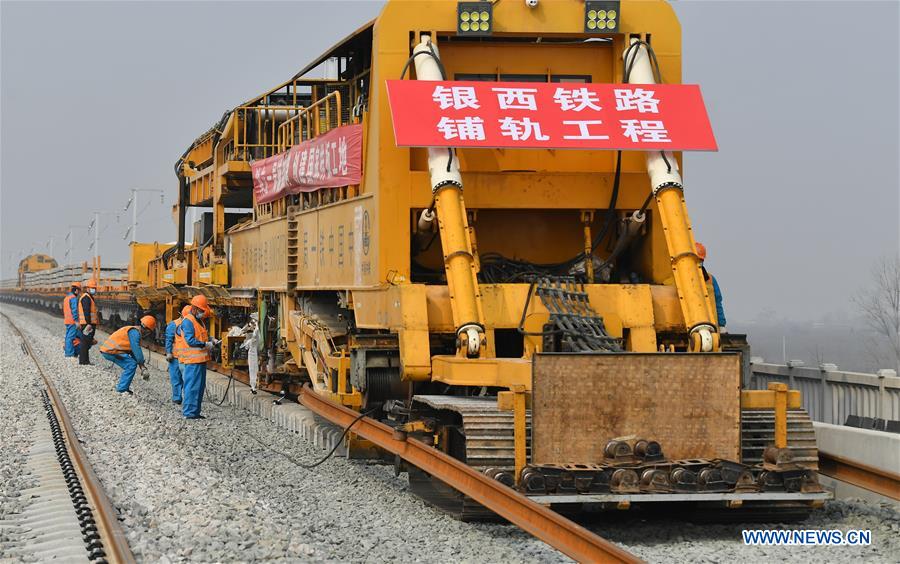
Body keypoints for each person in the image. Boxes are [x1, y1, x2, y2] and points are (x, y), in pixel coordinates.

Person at [175, 295, 218, 419]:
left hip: (200, 360)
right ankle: (189, 413)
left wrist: (211, 339)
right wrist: (205, 344)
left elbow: (201, 336)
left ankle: (195, 412)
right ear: (194, 308)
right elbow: (190, 340)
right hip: (192, 361)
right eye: (201, 310)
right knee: (192, 387)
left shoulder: (199, 321)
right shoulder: (188, 321)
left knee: (198, 387)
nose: (202, 312)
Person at [99, 316, 157, 395]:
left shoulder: (134, 331)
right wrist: (142, 365)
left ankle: (123, 387)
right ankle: (121, 389)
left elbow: (133, 352)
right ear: (147, 330)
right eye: (149, 332)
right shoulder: (135, 333)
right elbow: (136, 350)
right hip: (111, 351)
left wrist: (142, 367)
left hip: (109, 350)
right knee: (131, 364)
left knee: (131, 364)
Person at [696, 242, 727, 330]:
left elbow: (718, 302)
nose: (699, 263)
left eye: (701, 260)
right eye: (697, 260)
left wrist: (721, 324)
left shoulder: (710, 279)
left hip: (711, 328)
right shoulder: (679, 278)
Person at [165, 305, 192, 405]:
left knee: (187, 379)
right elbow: (169, 339)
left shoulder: (191, 324)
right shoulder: (174, 325)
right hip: (176, 357)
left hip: (187, 357)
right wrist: (168, 352)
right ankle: (177, 397)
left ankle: (187, 398)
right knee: (176, 378)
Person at [77, 279, 99, 365]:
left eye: (95, 288)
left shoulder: (88, 297)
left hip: (87, 324)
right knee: (85, 342)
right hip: (87, 324)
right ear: (88, 288)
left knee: (86, 342)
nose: (94, 289)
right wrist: (88, 324)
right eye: (92, 288)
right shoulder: (86, 298)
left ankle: (85, 361)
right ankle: (83, 361)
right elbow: (86, 311)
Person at [240, 312, 260, 394]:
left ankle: (253, 385)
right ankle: (253, 385)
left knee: (253, 368)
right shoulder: (255, 331)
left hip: (254, 351)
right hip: (254, 351)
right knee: (253, 367)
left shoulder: (256, 331)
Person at [63, 282, 81, 358]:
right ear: (76, 290)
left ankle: (68, 352)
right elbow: (74, 310)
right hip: (72, 321)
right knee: (71, 337)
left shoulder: (66, 298)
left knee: (68, 337)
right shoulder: (73, 298)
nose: (79, 293)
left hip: (67, 320)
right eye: (79, 291)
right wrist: (76, 321)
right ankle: (69, 354)